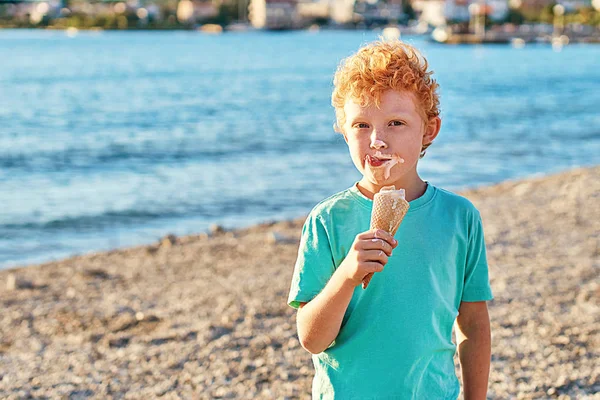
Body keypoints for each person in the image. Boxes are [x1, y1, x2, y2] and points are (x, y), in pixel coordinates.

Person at [287, 40, 493, 399]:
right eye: (362, 125)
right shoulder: (327, 220)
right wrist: (348, 275)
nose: (377, 141)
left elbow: (473, 324)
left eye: (395, 123)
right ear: (344, 131)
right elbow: (312, 339)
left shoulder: (460, 218)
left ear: (429, 130)